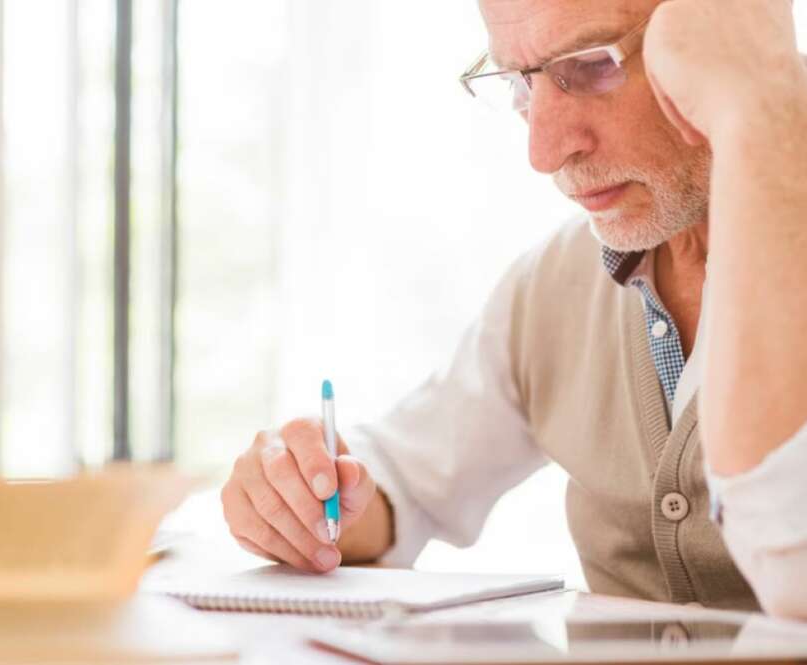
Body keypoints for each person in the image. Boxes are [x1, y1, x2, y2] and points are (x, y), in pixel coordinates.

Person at [221, 0, 807, 619]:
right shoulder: (559, 280)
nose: (545, 151)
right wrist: (303, 495)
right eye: (520, 83)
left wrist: (762, 107)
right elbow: (405, 480)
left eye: (588, 66)